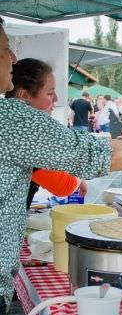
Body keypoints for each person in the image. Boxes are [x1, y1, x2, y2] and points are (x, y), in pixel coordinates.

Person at [0, 17, 122, 315]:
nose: (13, 58)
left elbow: (79, 145)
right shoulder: (11, 118)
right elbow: (89, 156)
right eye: (6, 48)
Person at [5, 58, 88, 207]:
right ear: (24, 96)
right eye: (50, 93)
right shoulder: (25, 134)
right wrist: (79, 176)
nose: (56, 99)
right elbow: (64, 186)